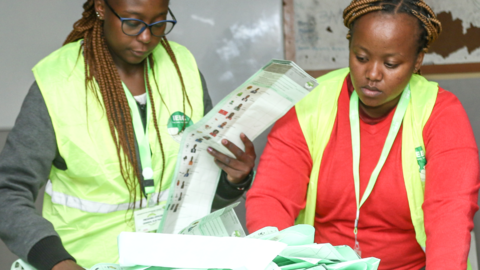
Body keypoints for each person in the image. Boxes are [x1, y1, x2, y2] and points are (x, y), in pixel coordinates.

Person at [0, 0, 256, 269]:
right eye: (132, 23)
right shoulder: (57, 82)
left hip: (176, 259)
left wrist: (232, 180)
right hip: (86, 262)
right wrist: (57, 261)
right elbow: (8, 192)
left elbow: (198, 192)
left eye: (158, 24)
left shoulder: (183, 70)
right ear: (101, 7)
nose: (146, 38)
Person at [246, 1, 480, 269]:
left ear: (417, 61)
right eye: (361, 58)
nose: (372, 74)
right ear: (349, 47)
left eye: (391, 63)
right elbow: (271, 197)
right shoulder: (310, 103)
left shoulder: (440, 113)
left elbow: (450, 214)